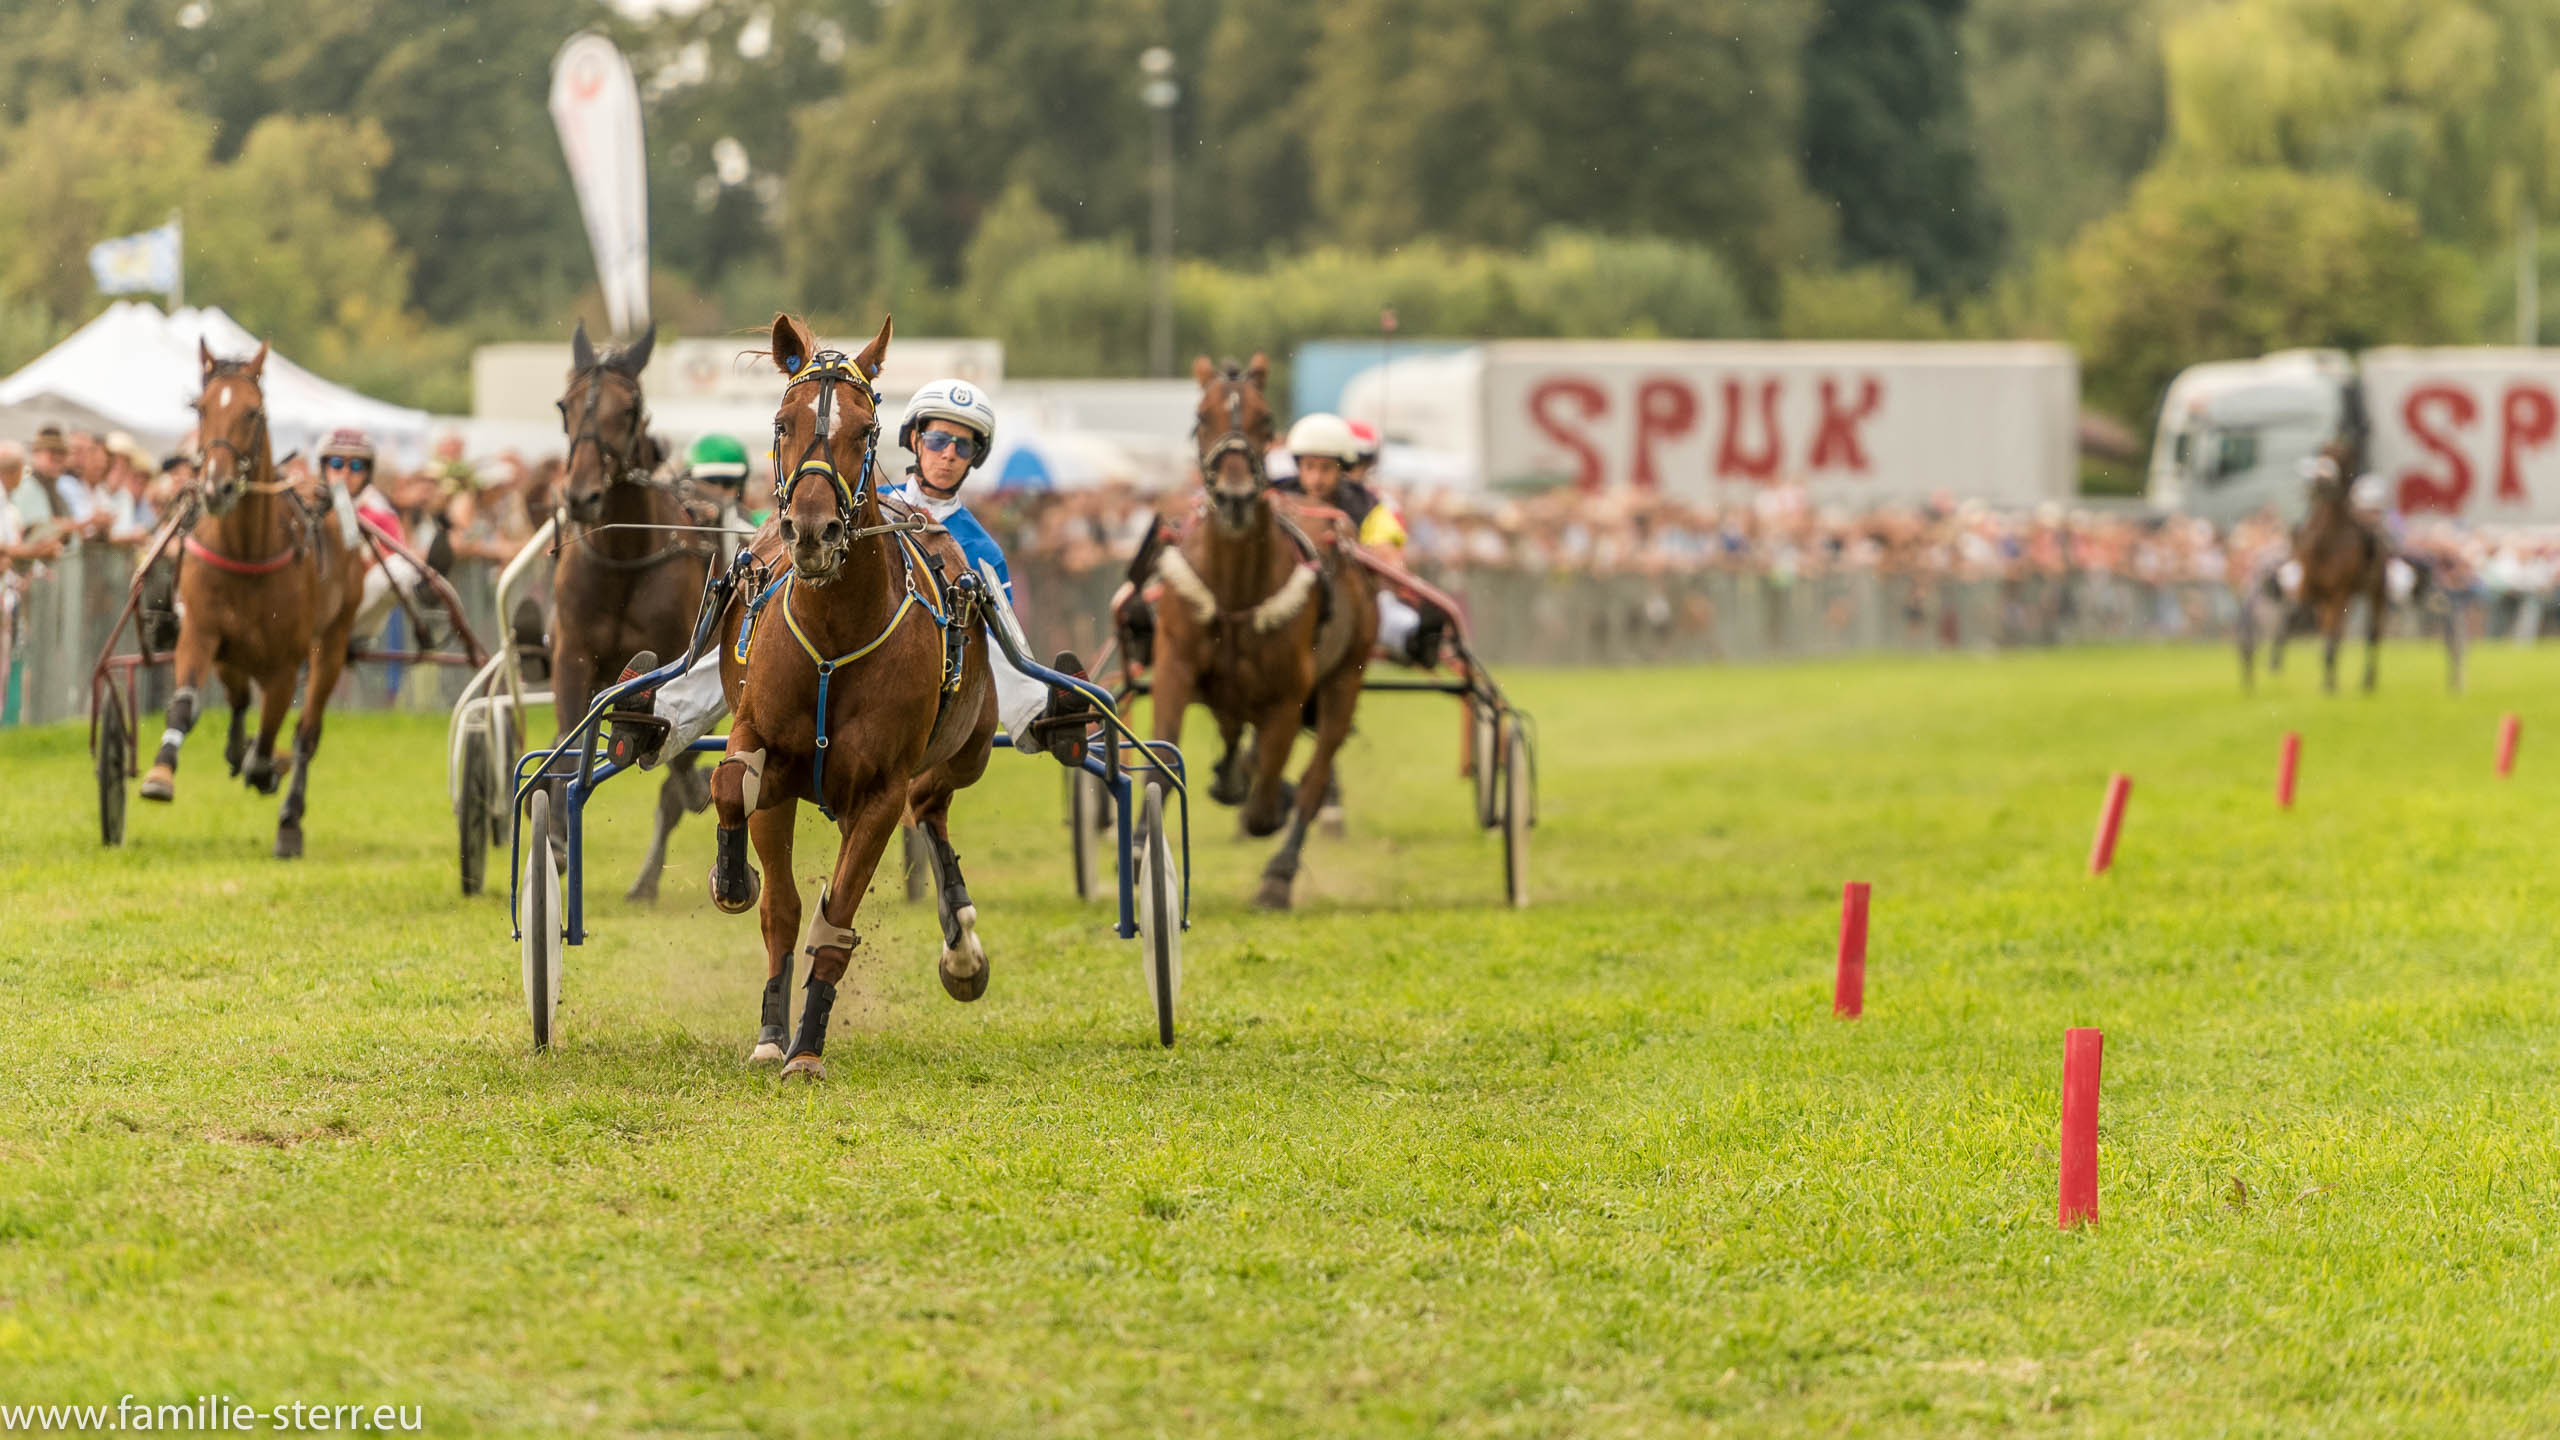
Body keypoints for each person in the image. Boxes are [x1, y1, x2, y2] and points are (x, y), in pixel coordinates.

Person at [629, 379, 1089, 767]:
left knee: (985, 640)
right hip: (821, 651)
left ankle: (1039, 715)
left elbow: (1005, 656)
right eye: (937, 440)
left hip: (908, 686)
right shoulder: (864, 508)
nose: (947, 454)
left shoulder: (979, 548)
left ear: (974, 457)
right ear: (914, 441)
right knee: (753, 637)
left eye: (962, 445)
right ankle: (662, 716)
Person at [1275, 411, 1446, 666]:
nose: (1317, 479)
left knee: (1379, 605)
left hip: (1345, 597)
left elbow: (1388, 559)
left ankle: (1414, 638)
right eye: (1309, 467)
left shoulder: (1370, 506)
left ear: (1342, 468)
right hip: (1283, 596)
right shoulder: (1275, 497)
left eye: (1326, 468)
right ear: (1298, 466)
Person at [682, 433, 759, 567]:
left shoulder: (751, 523)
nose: (718, 490)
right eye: (710, 481)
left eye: (728, 482)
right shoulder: (677, 521)